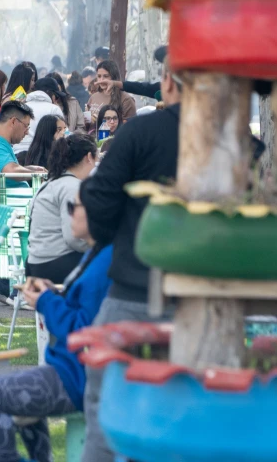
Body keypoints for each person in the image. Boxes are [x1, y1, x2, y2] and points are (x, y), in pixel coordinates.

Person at [80, 55, 182, 462]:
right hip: (210, 303)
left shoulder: (141, 131)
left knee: (107, 402)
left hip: (135, 293)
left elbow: (97, 198)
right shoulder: (238, 142)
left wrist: (116, 236)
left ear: (168, 82)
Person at [0, 191, 113, 462]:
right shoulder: (98, 253)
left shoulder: (104, 260)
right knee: (11, 396)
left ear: (96, 212)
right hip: (70, 369)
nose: (69, 214)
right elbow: (84, 311)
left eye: (73, 207)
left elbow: (81, 331)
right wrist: (54, 294)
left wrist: (46, 301)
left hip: (76, 377)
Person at [27, 134, 96, 283]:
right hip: (56, 264)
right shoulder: (72, 187)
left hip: (36, 263)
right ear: (89, 157)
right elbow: (74, 239)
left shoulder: (51, 183)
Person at [0, 100, 46, 225]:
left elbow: (12, 168)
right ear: (13, 121)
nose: (27, 132)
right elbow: (11, 170)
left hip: (9, 212)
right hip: (1, 220)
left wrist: (34, 169)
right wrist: (36, 173)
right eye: (26, 126)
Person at [13, 77, 65, 158]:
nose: (56, 100)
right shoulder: (54, 109)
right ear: (51, 94)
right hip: (42, 155)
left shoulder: (21, 107)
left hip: (17, 153)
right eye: (57, 97)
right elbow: (63, 133)